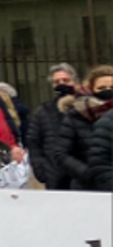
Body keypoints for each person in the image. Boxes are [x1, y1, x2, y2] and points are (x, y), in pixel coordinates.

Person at [26, 63, 87, 191]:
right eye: (56, 82)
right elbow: (33, 141)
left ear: (75, 81)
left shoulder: (86, 107)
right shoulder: (43, 111)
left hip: (83, 173)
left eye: (66, 80)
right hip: (54, 175)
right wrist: (41, 169)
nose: (61, 84)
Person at [81, 68, 113, 191]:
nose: (108, 91)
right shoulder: (107, 122)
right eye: (101, 87)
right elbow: (101, 161)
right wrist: (85, 173)